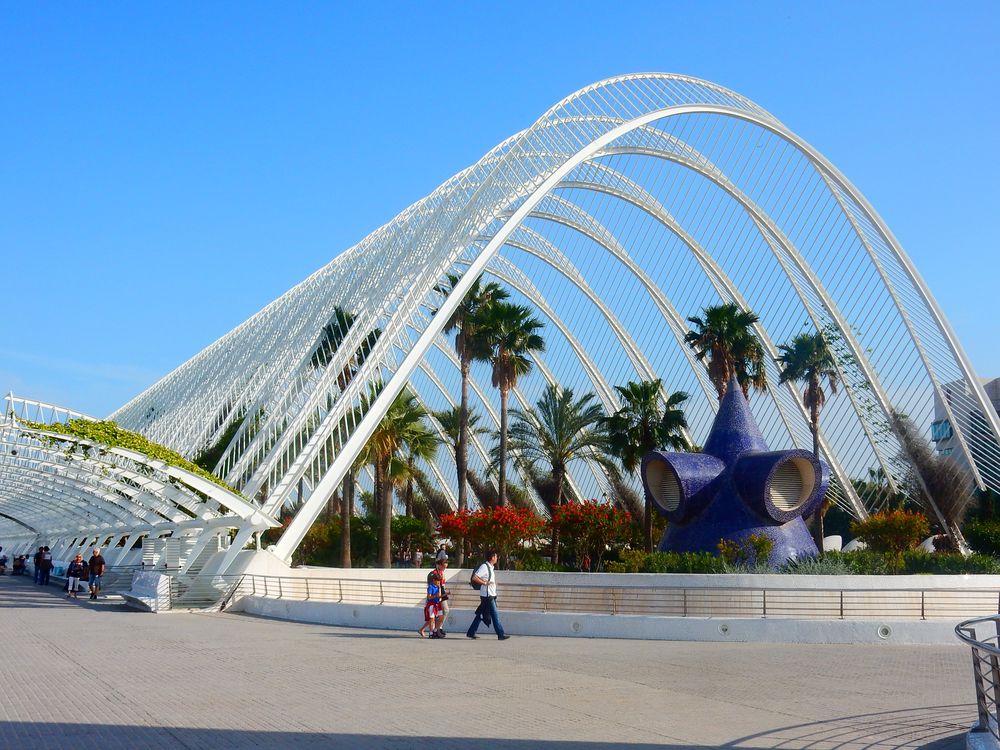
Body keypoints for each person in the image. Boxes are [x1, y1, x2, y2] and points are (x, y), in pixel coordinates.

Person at [466, 550, 509, 641]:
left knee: (481, 614)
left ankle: (471, 632)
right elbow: (475, 577)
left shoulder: (490, 568)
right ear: (492, 557)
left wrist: (492, 583)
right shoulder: (484, 567)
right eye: (496, 556)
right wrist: (485, 583)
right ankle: (500, 634)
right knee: (495, 615)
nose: (497, 558)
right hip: (487, 596)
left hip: (490, 595)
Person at [428, 558, 450, 635]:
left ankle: (438, 628)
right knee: (437, 613)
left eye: (446, 567)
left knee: (444, 611)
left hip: (441, 593)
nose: (444, 568)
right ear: (439, 565)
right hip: (437, 595)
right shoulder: (433, 573)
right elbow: (431, 586)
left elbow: (442, 585)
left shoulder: (441, 572)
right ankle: (436, 629)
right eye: (444, 567)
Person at [418, 574, 442, 639]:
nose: (439, 583)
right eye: (438, 581)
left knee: (438, 618)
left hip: (437, 604)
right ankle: (431, 633)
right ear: (434, 580)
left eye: (439, 581)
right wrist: (435, 596)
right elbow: (429, 597)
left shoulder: (438, 587)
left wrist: (445, 594)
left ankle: (428, 630)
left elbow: (439, 596)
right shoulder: (430, 587)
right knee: (431, 619)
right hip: (431, 604)